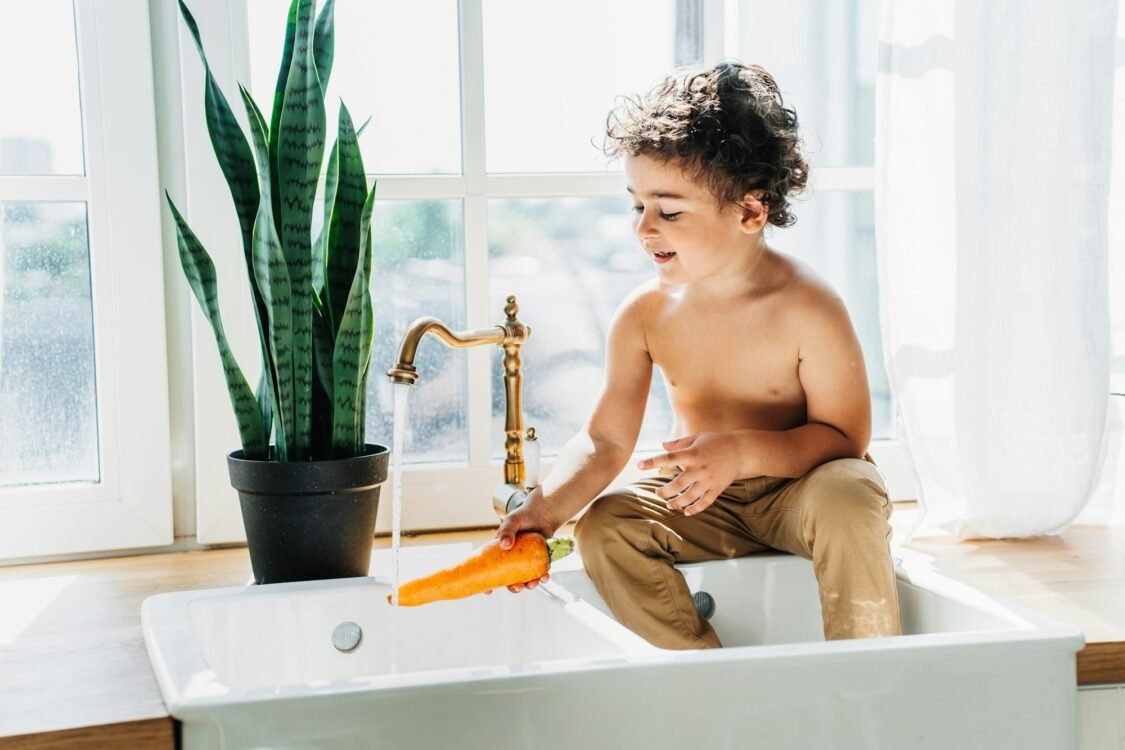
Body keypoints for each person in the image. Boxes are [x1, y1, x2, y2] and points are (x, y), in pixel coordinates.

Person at [495, 61, 901, 649]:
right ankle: (701, 671)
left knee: (850, 491)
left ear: (749, 212)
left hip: (801, 493)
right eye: (637, 206)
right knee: (607, 526)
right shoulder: (644, 315)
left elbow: (846, 440)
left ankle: (868, 673)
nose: (643, 228)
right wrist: (549, 506)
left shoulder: (808, 307)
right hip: (702, 502)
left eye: (669, 210)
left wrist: (741, 451)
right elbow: (607, 440)